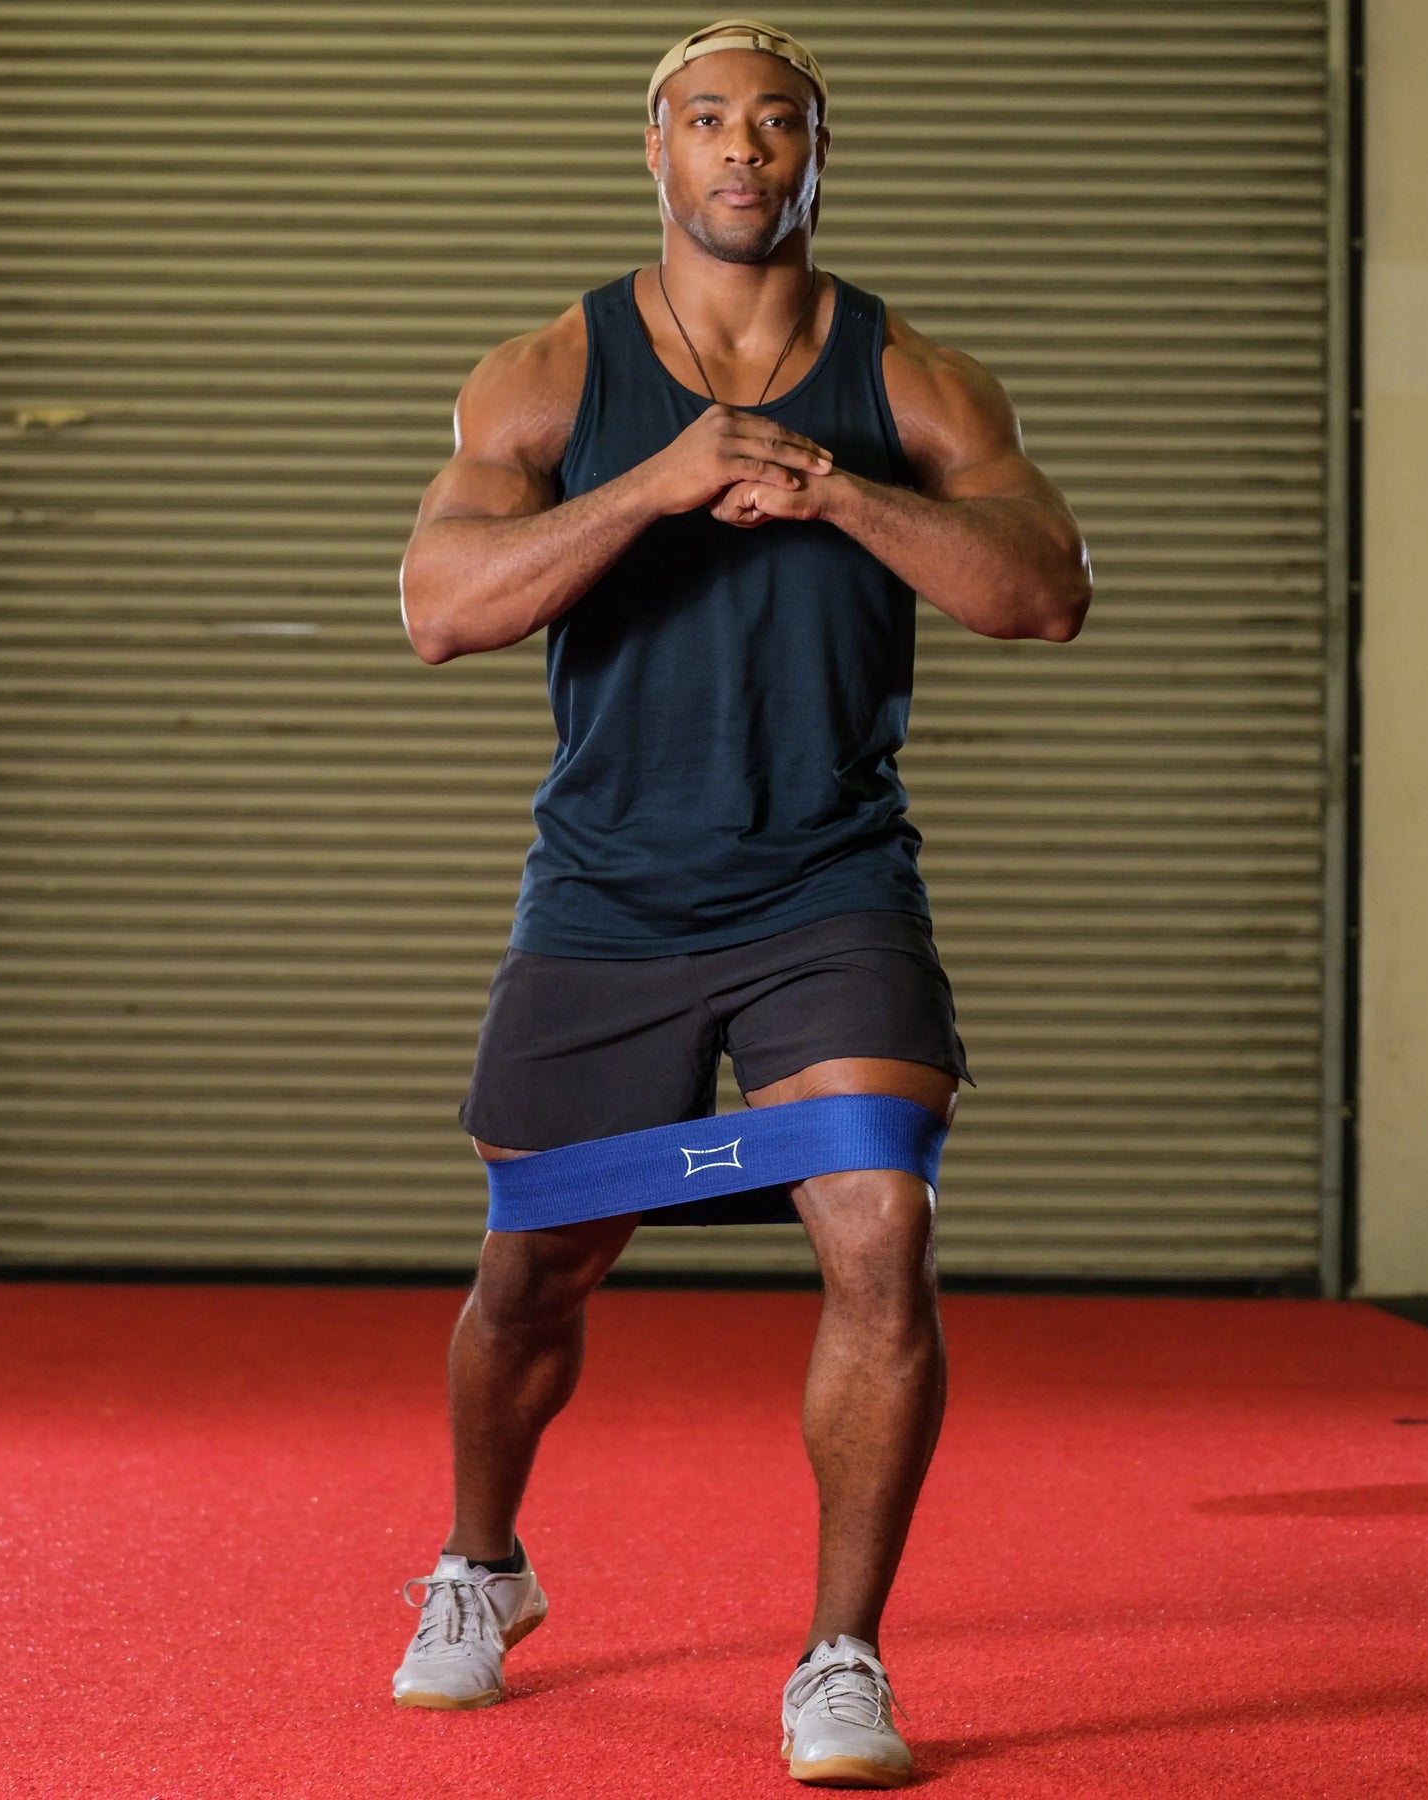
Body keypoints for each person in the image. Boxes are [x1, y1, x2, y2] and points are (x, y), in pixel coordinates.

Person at [392, 17, 1090, 1788]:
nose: (743, 149)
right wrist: (664, 479)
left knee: (880, 1230)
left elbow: (1044, 591)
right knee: (534, 1274)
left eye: (777, 121)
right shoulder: (545, 375)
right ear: (657, 148)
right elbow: (442, 610)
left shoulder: (914, 380)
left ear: (816, 151)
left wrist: (839, 492)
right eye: (708, 118)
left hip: (829, 887)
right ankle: (481, 1563)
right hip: (608, 893)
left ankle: (841, 1654)